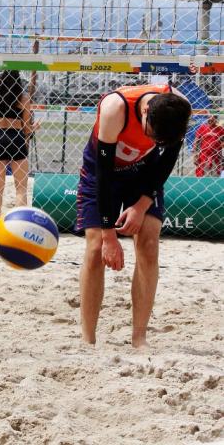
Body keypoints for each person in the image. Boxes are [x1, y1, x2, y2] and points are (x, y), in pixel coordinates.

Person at [75, 83, 191, 349]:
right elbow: (103, 175)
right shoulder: (115, 108)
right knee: (95, 249)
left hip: (144, 173)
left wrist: (141, 206)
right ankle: (87, 340)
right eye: (152, 135)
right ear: (146, 110)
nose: (154, 142)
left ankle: (139, 338)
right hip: (102, 172)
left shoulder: (179, 108)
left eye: (160, 141)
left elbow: (165, 162)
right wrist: (108, 235)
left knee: (149, 245)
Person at [0, 71, 33, 223]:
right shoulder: (24, 98)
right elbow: (26, 128)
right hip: (16, 138)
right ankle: (20, 223)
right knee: (21, 188)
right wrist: (34, 127)